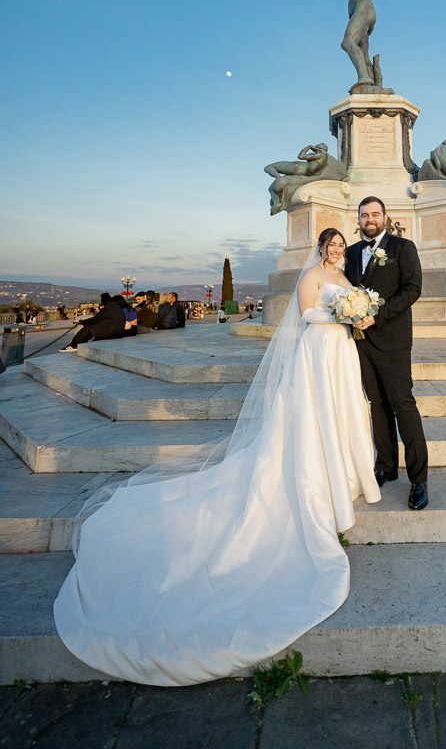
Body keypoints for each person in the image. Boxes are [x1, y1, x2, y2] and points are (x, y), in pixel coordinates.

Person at [53, 228, 381, 685]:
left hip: (341, 353)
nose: (337, 250)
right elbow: (307, 313)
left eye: (341, 245)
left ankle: (343, 473)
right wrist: (340, 313)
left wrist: (357, 315)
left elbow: (348, 310)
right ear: (321, 247)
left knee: (343, 412)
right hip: (318, 352)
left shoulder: (345, 278)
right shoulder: (311, 275)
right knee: (315, 416)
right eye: (331, 245)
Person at [345, 196, 429, 511]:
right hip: (361, 341)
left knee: (403, 406)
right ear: (358, 220)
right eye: (364, 215)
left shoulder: (403, 248)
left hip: (393, 340)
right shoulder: (351, 252)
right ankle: (386, 466)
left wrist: (376, 316)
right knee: (377, 405)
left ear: (385, 217)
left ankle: (419, 480)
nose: (370, 219)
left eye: (375, 214)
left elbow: (412, 289)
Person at [59, 293, 126, 351]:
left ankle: (74, 345)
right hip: (119, 332)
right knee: (94, 328)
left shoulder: (107, 309)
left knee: (88, 328)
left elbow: (95, 319)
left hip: (112, 332)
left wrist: (83, 322)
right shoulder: (117, 307)